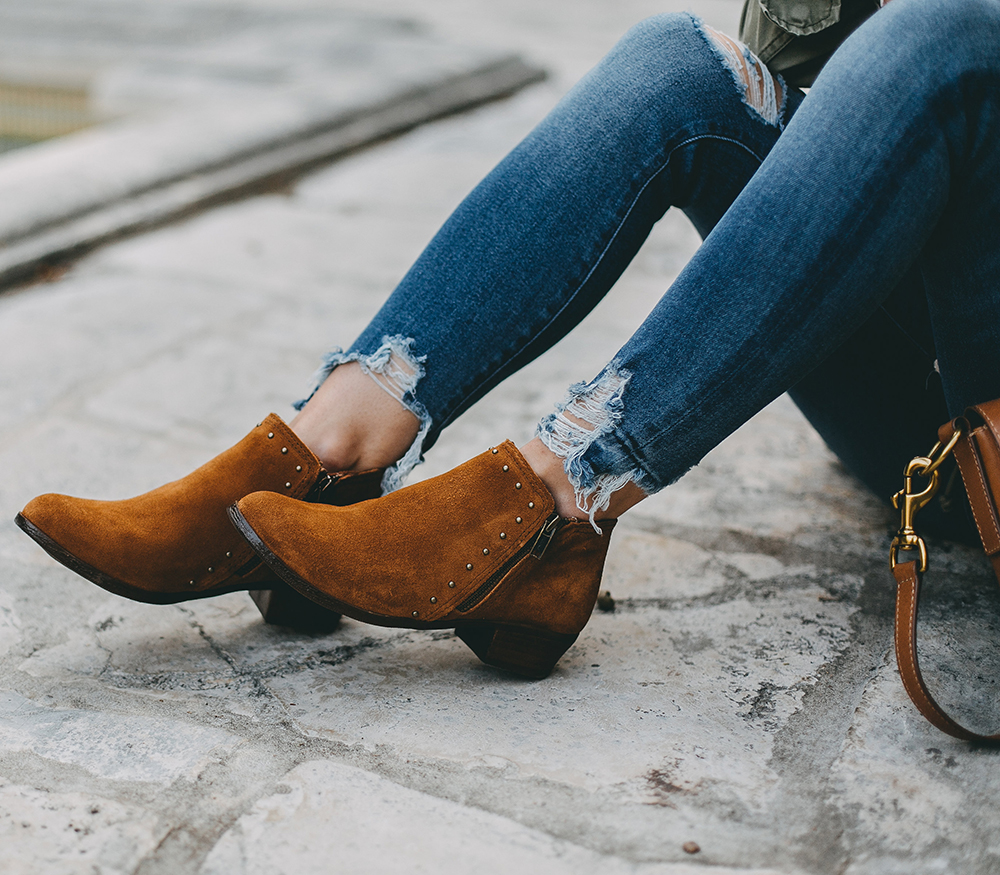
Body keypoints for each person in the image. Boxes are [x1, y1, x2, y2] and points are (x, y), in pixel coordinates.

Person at [16, 0, 1000, 678]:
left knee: (951, 35)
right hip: (915, 331)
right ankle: (329, 451)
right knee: (680, 67)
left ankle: (556, 504)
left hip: (978, 436)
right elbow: (820, 94)